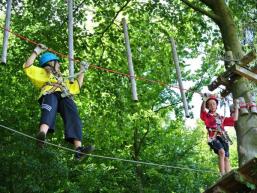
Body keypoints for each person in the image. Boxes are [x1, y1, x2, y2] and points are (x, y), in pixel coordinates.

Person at [23, 44, 94, 160]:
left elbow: (76, 87)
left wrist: (82, 71)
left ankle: (78, 149)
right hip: (50, 93)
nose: (60, 64)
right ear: (51, 63)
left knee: (73, 114)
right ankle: (42, 134)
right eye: (58, 62)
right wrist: (36, 51)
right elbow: (27, 67)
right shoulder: (42, 72)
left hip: (64, 95)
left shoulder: (63, 78)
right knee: (49, 108)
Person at [200, 94, 239, 176]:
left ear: (216, 105)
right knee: (221, 152)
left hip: (223, 137)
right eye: (210, 104)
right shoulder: (207, 116)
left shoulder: (221, 118)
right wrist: (204, 100)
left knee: (227, 158)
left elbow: (234, 119)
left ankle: (228, 175)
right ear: (208, 107)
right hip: (213, 136)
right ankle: (222, 174)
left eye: (214, 103)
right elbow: (202, 111)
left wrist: (236, 107)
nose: (212, 105)